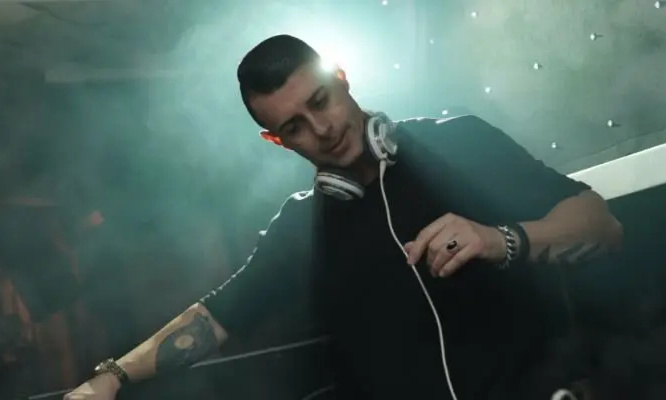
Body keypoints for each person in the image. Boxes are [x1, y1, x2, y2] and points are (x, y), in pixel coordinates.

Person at [64, 34, 623, 400]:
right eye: (295, 127)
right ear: (277, 141)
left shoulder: (459, 141)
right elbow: (213, 319)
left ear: (342, 76)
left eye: (321, 101)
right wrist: (109, 378)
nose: (324, 129)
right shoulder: (300, 229)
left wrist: (503, 240)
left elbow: (601, 224)